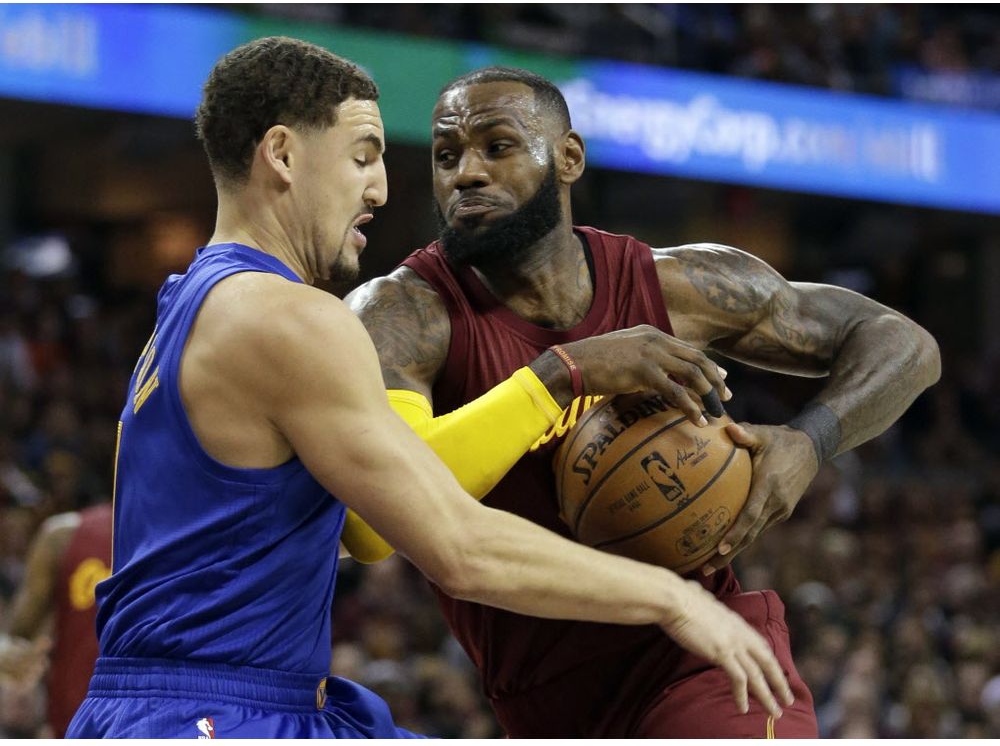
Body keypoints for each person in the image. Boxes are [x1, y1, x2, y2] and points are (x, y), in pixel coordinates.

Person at [65, 39, 793, 738]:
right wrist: (671, 598)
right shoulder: (288, 319)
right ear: (282, 155)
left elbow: (358, 535)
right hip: (219, 713)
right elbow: (457, 546)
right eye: (362, 157)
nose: (380, 189)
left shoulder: (189, 302)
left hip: (187, 701)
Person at [343, 66, 941, 737]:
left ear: (568, 158)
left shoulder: (676, 284)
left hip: (704, 660)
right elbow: (373, 518)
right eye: (447, 156)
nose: (467, 174)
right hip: (539, 700)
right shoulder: (402, 315)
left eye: (498, 146)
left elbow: (905, 344)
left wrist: (810, 441)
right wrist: (562, 373)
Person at [0, 502, 111, 737]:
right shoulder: (64, 535)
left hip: (87, 717)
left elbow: (18, 633)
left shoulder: (63, 534)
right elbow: (18, 637)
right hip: (79, 722)